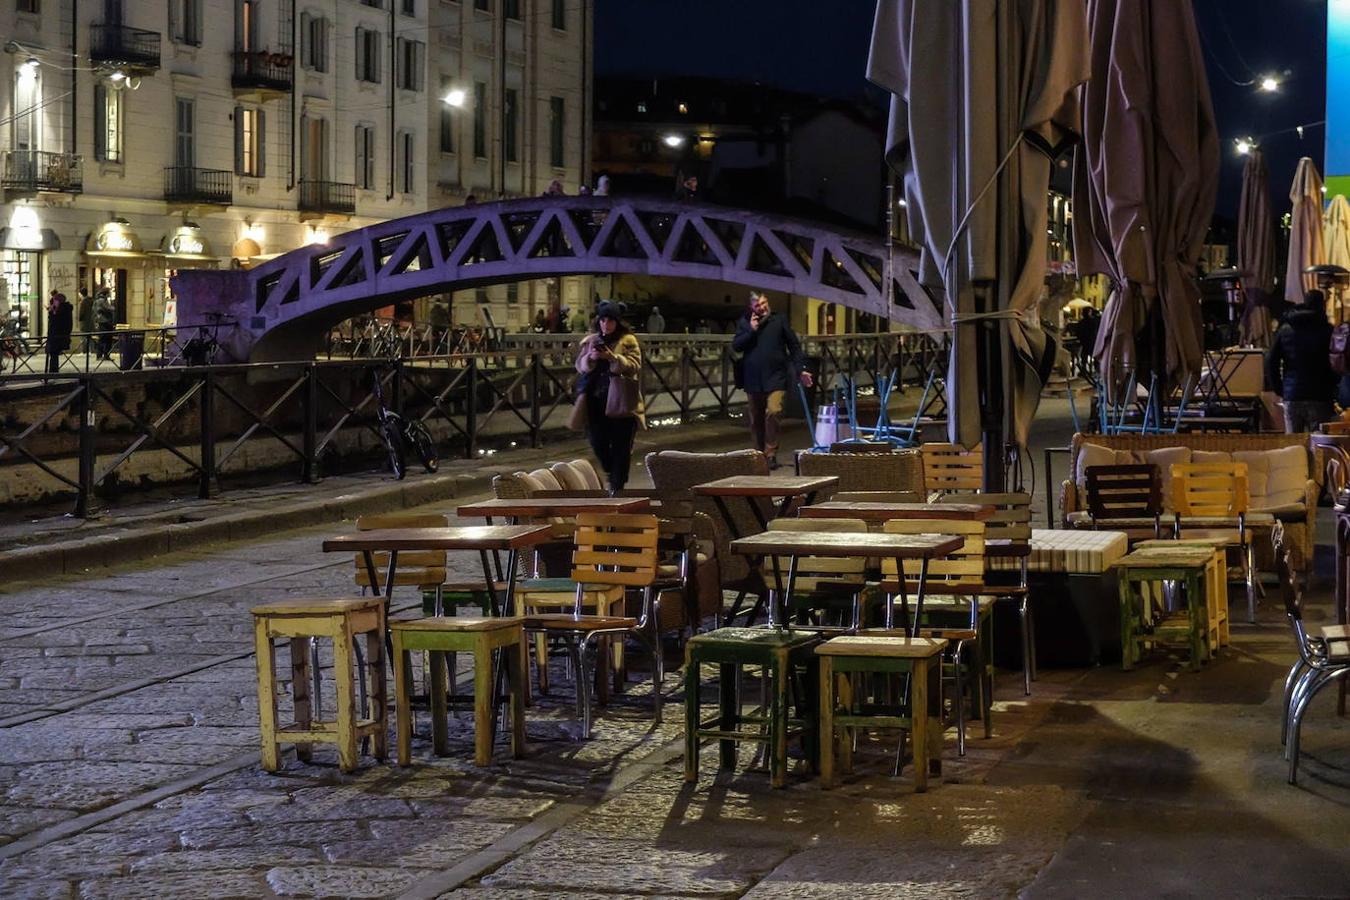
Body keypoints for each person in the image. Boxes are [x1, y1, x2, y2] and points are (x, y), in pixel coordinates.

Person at [732, 292, 812, 468]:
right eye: (758, 305)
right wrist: (751, 331)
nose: (763, 307)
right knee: (756, 419)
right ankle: (759, 454)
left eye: (764, 303)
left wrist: (802, 370)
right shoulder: (745, 322)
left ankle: (770, 452)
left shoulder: (779, 320)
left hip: (776, 376)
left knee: (773, 411)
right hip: (752, 378)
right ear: (751, 308)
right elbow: (736, 346)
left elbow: (794, 346)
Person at [575, 300, 644, 492]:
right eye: (603, 320)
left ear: (618, 322)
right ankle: (610, 471)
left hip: (621, 401)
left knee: (621, 447)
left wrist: (613, 358)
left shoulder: (628, 340)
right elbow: (580, 366)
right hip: (596, 401)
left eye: (611, 320)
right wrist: (591, 358)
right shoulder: (592, 340)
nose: (606, 324)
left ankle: (617, 486)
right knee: (598, 442)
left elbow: (634, 366)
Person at [1266, 289, 1337, 433]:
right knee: (1318, 445)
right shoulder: (1327, 330)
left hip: (1292, 394)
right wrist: (1333, 386)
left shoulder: (1286, 329)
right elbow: (1335, 362)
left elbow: (1271, 361)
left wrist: (1280, 388)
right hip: (1320, 395)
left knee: (1293, 446)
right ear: (1322, 305)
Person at [45, 290, 73, 375]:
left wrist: (51, 312)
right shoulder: (65, 309)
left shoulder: (60, 311)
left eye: (55, 301)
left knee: (53, 354)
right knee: (54, 354)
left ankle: (53, 372)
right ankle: (53, 372)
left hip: (56, 336)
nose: (54, 303)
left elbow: (55, 322)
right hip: (59, 335)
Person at [94, 289, 115, 360]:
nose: (110, 294)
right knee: (104, 339)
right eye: (109, 293)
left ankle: (105, 355)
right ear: (106, 293)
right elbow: (108, 308)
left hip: (104, 322)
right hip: (104, 322)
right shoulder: (101, 300)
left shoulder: (102, 300)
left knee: (105, 339)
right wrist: (112, 308)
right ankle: (101, 355)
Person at [76, 287, 94, 352]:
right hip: (90, 321)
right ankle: (91, 350)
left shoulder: (83, 302)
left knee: (83, 337)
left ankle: (84, 351)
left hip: (84, 322)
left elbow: (81, 312)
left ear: (81, 294)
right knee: (90, 337)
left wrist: (79, 319)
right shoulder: (91, 300)